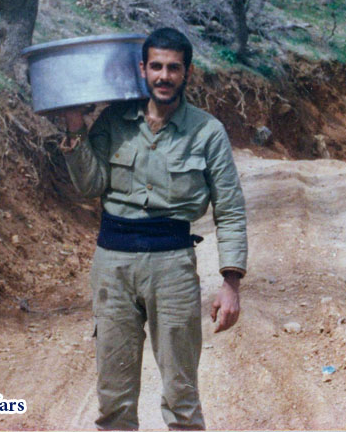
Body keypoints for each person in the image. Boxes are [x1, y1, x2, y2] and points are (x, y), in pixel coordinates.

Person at [60, 27, 248, 431]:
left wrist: (231, 283)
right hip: (112, 267)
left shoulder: (207, 131)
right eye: (157, 66)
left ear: (187, 73)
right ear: (143, 68)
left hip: (172, 268)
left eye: (174, 68)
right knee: (114, 398)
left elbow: (230, 209)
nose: (164, 76)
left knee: (182, 396)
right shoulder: (114, 121)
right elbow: (90, 186)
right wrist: (75, 126)